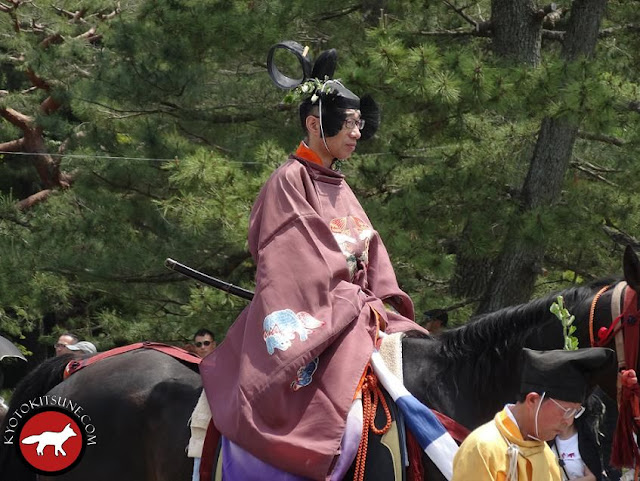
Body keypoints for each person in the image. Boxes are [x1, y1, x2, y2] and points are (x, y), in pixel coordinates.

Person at [199, 41, 426, 481]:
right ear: (314, 123)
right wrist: (350, 299)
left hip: (355, 307)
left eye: (361, 123)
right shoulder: (289, 180)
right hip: (312, 312)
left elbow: (369, 248)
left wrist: (377, 298)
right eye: (350, 123)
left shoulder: (339, 184)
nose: (358, 133)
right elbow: (295, 260)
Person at [452, 347, 615, 481]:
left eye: (575, 412)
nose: (569, 421)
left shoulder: (545, 452)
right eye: (566, 411)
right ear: (532, 400)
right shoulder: (483, 448)